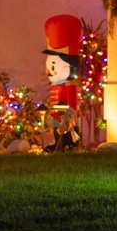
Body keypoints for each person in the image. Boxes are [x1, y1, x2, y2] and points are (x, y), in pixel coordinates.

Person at [43, 14, 81, 151]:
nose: (50, 70)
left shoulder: (69, 84)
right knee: (56, 129)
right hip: (56, 113)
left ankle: (68, 145)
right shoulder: (56, 84)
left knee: (66, 130)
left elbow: (72, 102)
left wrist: (70, 114)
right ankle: (59, 145)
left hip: (65, 114)